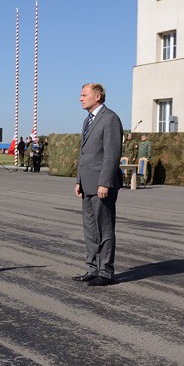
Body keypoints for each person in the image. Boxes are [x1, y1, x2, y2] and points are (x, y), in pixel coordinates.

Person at [73, 83, 123, 286]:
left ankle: (106, 271)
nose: (80, 98)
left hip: (102, 185)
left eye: (84, 94)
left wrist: (105, 182)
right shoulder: (88, 121)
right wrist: (79, 180)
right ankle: (92, 268)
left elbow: (112, 154)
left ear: (98, 96)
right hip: (87, 183)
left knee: (105, 228)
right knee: (90, 229)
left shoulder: (110, 119)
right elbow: (84, 153)